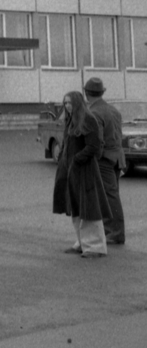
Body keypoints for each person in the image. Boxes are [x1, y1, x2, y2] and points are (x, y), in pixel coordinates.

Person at [54, 90, 109, 258]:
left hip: (85, 170)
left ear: (77, 103)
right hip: (71, 171)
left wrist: (77, 159)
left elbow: (94, 146)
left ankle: (95, 247)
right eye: (65, 103)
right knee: (76, 206)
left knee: (89, 207)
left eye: (70, 103)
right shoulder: (71, 121)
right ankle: (82, 243)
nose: (67, 106)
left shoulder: (89, 119)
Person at [84, 78, 127, 245]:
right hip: (117, 157)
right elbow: (118, 135)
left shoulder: (93, 112)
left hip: (104, 160)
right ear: (102, 92)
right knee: (111, 195)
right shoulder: (113, 110)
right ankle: (112, 232)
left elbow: (98, 141)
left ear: (86, 94)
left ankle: (115, 234)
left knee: (109, 197)